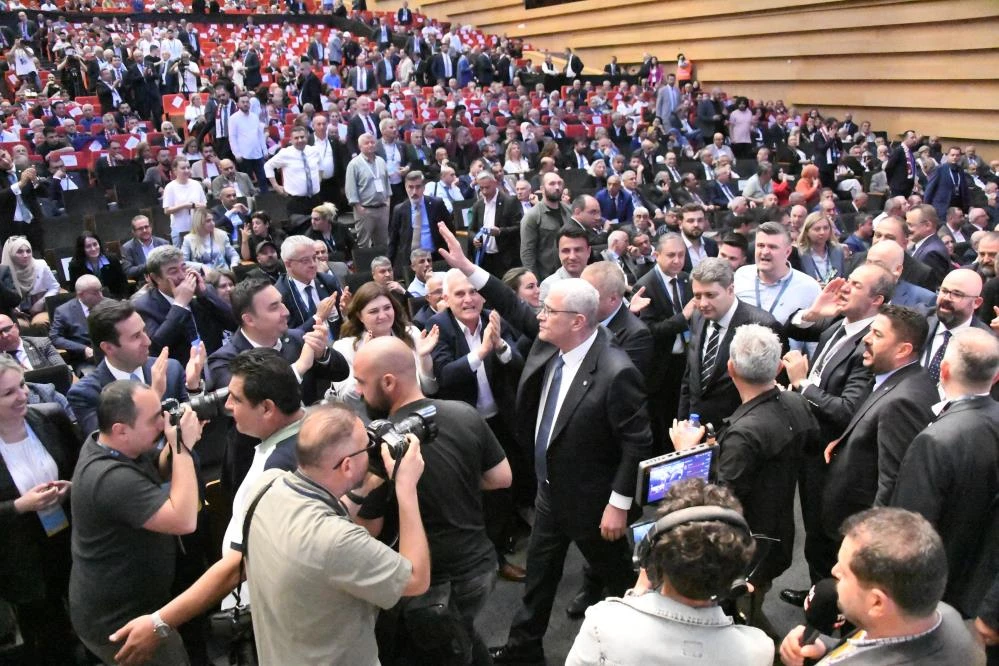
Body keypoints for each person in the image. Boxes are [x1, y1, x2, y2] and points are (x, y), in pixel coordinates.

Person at [435, 222, 655, 664]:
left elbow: (638, 441)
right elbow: (512, 304)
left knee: (621, 581)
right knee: (539, 577)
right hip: (550, 490)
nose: (539, 316)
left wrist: (618, 503)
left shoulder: (616, 371)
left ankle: (644, 647)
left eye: (549, 311)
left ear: (577, 321)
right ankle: (524, 651)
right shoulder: (552, 339)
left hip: (593, 501)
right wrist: (468, 268)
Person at [351, 336, 512, 662]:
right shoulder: (465, 413)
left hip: (433, 585)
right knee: (462, 632)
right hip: (482, 566)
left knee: (445, 649)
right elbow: (501, 477)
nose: (357, 391)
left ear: (388, 382)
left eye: (361, 382)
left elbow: (369, 528)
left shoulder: (383, 447)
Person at [240, 403, 430, 663]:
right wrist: (406, 487)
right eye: (367, 445)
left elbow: (315, 514)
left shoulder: (265, 486)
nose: (373, 449)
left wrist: (364, 486)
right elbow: (416, 579)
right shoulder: (337, 540)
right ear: (347, 466)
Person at [672, 324, 819, 637]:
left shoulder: (744, 434)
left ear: (730, 368)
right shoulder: (796, 403)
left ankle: (775, 653)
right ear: (778, 368)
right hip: (777, 537)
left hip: (745, 550)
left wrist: (686, 455)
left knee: (742, 623)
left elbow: (716, 504)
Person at [566, 480, 774, 666]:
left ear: (650, 559)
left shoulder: (602, 625)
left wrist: (635, 595)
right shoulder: (758, 650)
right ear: (735, 575)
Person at [69, 380, 204, 664]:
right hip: (121, 620)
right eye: (154, 419)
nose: (162, 423)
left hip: (137, 601)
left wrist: (175, 443)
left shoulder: (110, 444)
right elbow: (184, 520)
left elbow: (158, 469)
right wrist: (182, 446)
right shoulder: (109, 478)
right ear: (121, 430)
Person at [781, 264, 892, 598]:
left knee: (830, 534)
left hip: (834, 458)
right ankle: (818, 594)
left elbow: (846, 411)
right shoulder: (837, 326)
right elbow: (793, 327)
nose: (843, 288)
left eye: (855, 285)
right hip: (812, 449)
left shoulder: (870, 345)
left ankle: (836, 605)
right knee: (814, 530)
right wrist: (814, 312)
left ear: (877, 300)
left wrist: (801, 384)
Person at [779, 508, 985, 666]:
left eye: (845, 573)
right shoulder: (946, 617)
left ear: (877, 602)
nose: (834, 571)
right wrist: (826, 647)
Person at [891, 328, 999, 620]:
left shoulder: (934, 440)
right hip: (978, 581)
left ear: (945, 369)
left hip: (933, 586)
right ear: (996, 377)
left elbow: (910, 527)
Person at [819, 304, 937, 542]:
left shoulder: (902, 401)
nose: (866, 339)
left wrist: (873, 541)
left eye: (878, 334)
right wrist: (845, 442)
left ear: (903, 349)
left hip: (860, 532)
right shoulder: (898, 378)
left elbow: (892, 481)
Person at [0, 356, 80, 664]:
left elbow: (82, 467)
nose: (22, 395)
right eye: (8, 393)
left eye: (22, 385)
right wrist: (20, 506)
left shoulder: (50, 417)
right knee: (49, 637)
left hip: (69, 537)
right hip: (21, 556)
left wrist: (71, 487)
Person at [678, 257, 783, 431]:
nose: (703, 303)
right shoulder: (698, 317)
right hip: (696, 430)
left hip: (740, 432)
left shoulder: (762, 325)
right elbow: (690, 377)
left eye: (710, 295)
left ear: (730, 289)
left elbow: (772, 390)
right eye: (697, 296)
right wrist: (683, 422)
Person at [67, 300, 197, 436]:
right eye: (136, 337)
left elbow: (194, 425)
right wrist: (154, 396)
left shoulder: (170, 369)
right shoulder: (86, 394)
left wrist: (194, 389)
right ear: (108, 348)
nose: (147, 341)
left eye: (144, 331)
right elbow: (109, 445)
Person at [329, 282, 438, 409]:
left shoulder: (411, 333)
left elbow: (430, 389)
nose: (383, 315)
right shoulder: (344, 347)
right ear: (360, 316)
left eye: (387, 308)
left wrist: (424, 358)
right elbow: (348, 400)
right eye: (374, 311)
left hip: (414, 410)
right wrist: (366, 362)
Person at [633, 233, 695, 449]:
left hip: (686, 360)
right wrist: (683, 318)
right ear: (657, 255)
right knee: (663, 423)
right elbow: (649, 331)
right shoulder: (645, 285)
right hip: (660, 368)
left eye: (681, 255)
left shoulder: (687, 280)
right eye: (671, 255)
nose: (677, 260)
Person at [134, 245, 236, 366]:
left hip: (215, 363)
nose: (182, 276)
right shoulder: (143, 306)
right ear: (156, 278)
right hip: (181, 369)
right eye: (173, 271)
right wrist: (179, 305)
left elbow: (234, 324)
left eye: (183, 268)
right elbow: (155, 348)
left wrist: (203, 294)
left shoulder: (203, 292)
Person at [275, 235, 344, 335]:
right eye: (305, 261)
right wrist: (318, 317)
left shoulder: (328, 281)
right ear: (288, 264)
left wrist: (347, 311)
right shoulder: (279, 294)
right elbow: (287, 337)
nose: (313, 264)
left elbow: (343, 324)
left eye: (314, 258)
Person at [388, 170, 452, 276]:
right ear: (405, 187)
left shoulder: (436, 204)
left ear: (424, 187)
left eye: (418, 187)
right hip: (411, 260)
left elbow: (450, 231)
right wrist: (389, 265)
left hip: (435, 258)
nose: (414, 192)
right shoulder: (399, 210)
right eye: (411, 187)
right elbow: (393, 240)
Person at [468, 171, 523, 277]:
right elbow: (471, 230)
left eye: (487, 187)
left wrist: (500, 231)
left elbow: (519, 227)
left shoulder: (510, 202)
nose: (484, 191)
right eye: (481, 188)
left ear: (495, 183)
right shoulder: (478, 205)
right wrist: (475, 238)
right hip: (485, 258)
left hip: (505, 259)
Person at [520, 172, 572, 281]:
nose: (557, 187)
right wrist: (534, 281)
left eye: (559, 183)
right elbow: (527, 253)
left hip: (570, 273)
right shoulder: (532, 216)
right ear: (542, 189)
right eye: (552, 184)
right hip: (547, 277)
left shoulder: (568, 210)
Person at [264, 125, 323, 221]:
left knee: (317, 227)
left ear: (307, 137)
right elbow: (268, 166)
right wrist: (275, 186)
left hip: (315, 199)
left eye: (302, 137)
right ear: (291, 140)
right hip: (296, 201)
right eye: (296, 138)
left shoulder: (314, 151)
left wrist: (319, 178)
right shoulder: (285, 153)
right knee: (300, 228)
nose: (300, 140)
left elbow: (320, 165)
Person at [1, 236, 59, 331]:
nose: (25, 255)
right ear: (11, 254)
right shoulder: (4, 271)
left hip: (40, 309)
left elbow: (54, 287)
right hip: (16, 314)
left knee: (39, 323)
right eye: (20, 252)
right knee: (18, 326)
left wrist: (41, 302)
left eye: (28, 251)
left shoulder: (40, 265)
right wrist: (12, 308)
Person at [345, 133, 392, 248]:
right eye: (367, 143)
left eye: (372, 142)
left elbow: (387, 183)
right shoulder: (354, 164)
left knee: (383, 243)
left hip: (382, 208)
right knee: (363, 244)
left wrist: (388, 202)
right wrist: (358, 207)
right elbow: (350, 188)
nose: (370, 145)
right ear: (360, 146)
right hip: (365, 209)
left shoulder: (381, 161)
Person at [50, 274, 106, 368]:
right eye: (95, 293)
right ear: (80, 295)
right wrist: (83, 349)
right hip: (86, 361)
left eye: (101, 290)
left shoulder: (110, 304)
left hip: (113, 355)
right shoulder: (63, 312)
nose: (101, 296)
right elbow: (55, 338)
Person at [162, 157, 208, 246]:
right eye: (183, 168)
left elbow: (204, 204)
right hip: (179, 229)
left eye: (188, 167)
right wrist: (185, 205)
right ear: (175, 170)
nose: (187, 170)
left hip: (197, 227)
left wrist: (199, 206)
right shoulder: (170, 187)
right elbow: (167, 210)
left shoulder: (196, 184)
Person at [68, 231, 129, 299]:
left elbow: (123, 283)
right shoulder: (75, 266)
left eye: (95, 244)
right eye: (88, 246)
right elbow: (74, 290)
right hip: (89, 301)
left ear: (99, 244)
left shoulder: (112, 260)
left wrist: (123, 299)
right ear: (82, 249)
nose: (93, 249)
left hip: (114, 299)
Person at [797, 212, 846, 285]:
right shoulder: (799, 253)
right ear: (807, 232)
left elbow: (843, 277)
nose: (822, 232)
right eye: (817, 229)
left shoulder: (838, 250)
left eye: (826, 228)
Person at [121, 215, 170, 281]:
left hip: (166, 280)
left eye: (146, 227)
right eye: (140, 229)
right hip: (144, 282)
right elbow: (128, 271)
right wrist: (149, 265)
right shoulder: (128, 248)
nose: (144, 230)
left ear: (151, 228)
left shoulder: (163, 243)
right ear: (134, 232)